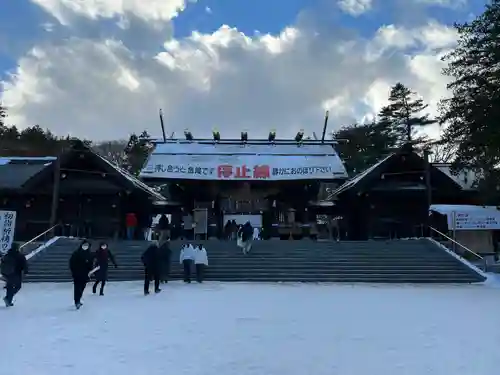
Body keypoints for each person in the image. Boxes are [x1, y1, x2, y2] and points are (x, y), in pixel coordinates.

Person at [1, 243, 28, 307]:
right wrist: (26, 272)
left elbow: (3, 263)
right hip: (16, 273)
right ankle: (8, 298)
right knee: (18, 286)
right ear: (17, 247)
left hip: (7, 273)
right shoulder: (20, 255)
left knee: (9, 287)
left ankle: (8, 301)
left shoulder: (8, 254)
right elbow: (24, 264)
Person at [69, 240, 94, 309]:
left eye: (87, 245)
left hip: (85, 274)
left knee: (82, 287)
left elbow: (91, 263)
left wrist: (90, 270)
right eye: (84, 245)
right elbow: (71, 263)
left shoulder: (89, 254)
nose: (85, 247)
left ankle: (79, 299)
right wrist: (73, 272)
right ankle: (76, 301)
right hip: (77, 274)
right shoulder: (76, 253)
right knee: (77, 288)